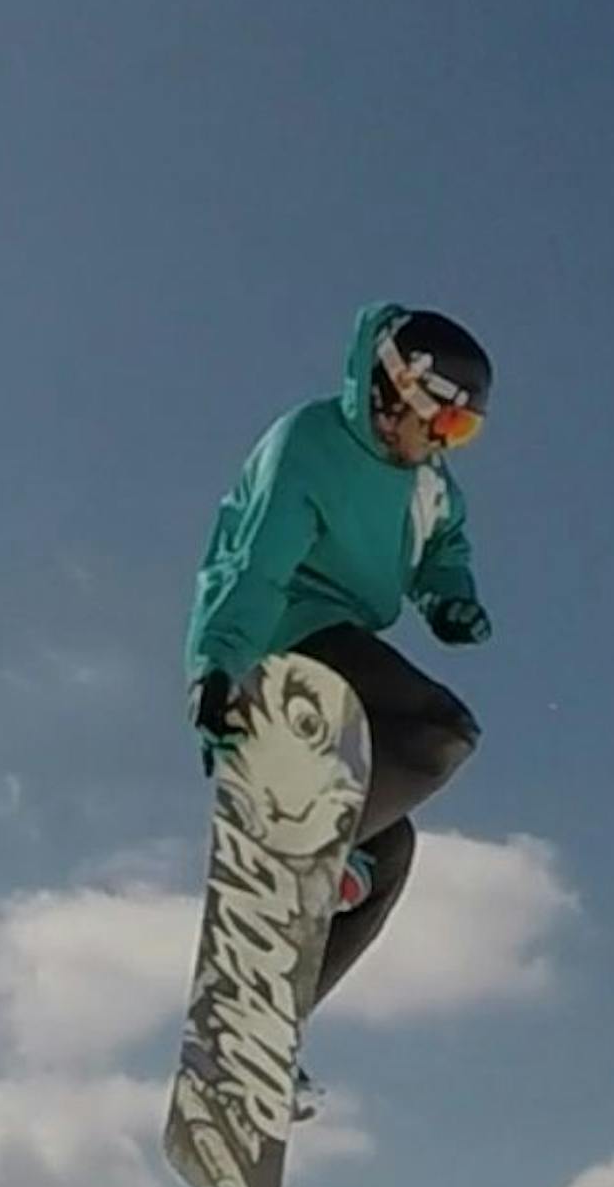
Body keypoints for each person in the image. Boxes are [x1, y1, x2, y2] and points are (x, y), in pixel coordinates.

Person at [184, 300, 495, 1071]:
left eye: (463, 435)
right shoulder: (311, 444)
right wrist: (218, 668)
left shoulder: (427, 482)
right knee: (435, 733)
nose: (443, 444)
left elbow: (443, 540)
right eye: (444, 424)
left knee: (391, 853)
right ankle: (300, 852)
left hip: (347, 642)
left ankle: (258, 1043)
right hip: (282, 640)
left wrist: (448, 595)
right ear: (398, 390)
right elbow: (252, 564)